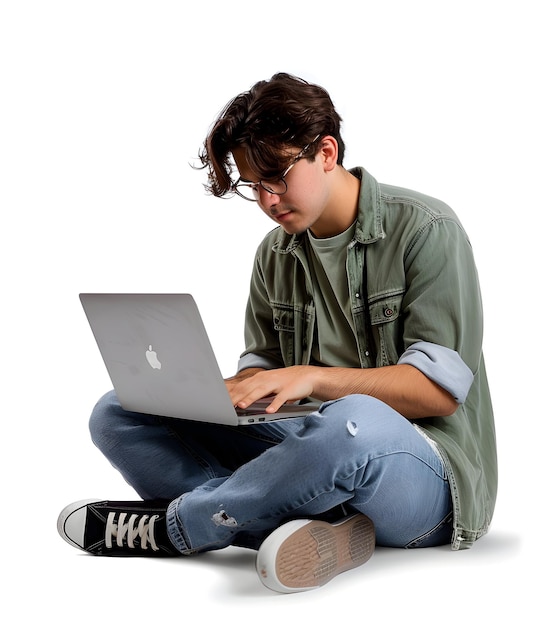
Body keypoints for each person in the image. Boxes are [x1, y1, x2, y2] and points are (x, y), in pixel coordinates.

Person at [57, 72, 497, 593]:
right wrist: (232, 393)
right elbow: (265, 363)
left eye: (277, 176)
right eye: (252, 185)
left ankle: (182, 527)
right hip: (315, 448)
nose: (267, 200)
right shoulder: (276, 252)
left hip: (427, 474)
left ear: (326, 152)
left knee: (352, 419)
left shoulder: (426, 229)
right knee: (119, 411)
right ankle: (312, 531)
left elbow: (439, 393)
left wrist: (309, 378)